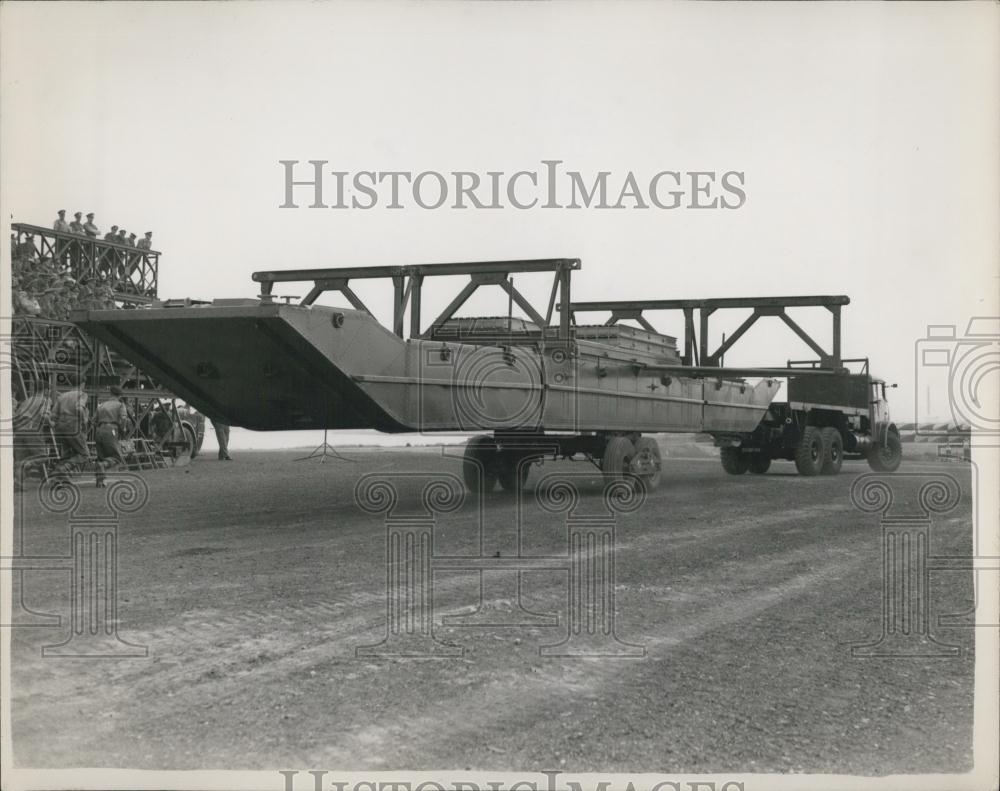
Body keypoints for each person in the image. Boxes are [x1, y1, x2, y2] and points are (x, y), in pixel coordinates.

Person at [50, 373, 91, 476]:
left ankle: (58, 477)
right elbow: (79, 408)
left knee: (66, 455)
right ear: (82, 384)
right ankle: (63, 469)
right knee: (84, 454)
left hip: (60, 427)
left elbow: (53, 415)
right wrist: (85, 420)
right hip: (73, 426)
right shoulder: (82, 394)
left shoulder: (62, 396)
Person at [13, 391, 53, 491]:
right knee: (43, 457)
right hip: (32, 430)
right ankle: (27, 464)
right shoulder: (44, 400)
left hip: (18, 431)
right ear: (46, 390)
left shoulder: (26, 401)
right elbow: (44, 415)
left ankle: (18, 484)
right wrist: (52, 423)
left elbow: (16, 415)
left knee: (19, 460)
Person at [94, 385, 130, 487]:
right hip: (111, 429)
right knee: (116, 457)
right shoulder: (120, 405)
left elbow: (93, 420)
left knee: (101, 456)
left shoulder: (101, 405)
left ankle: (100, 481)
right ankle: (103, 466)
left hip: (99, 430)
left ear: (110, 394)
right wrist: (123, 429)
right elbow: (123, 418)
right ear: (120, 396)